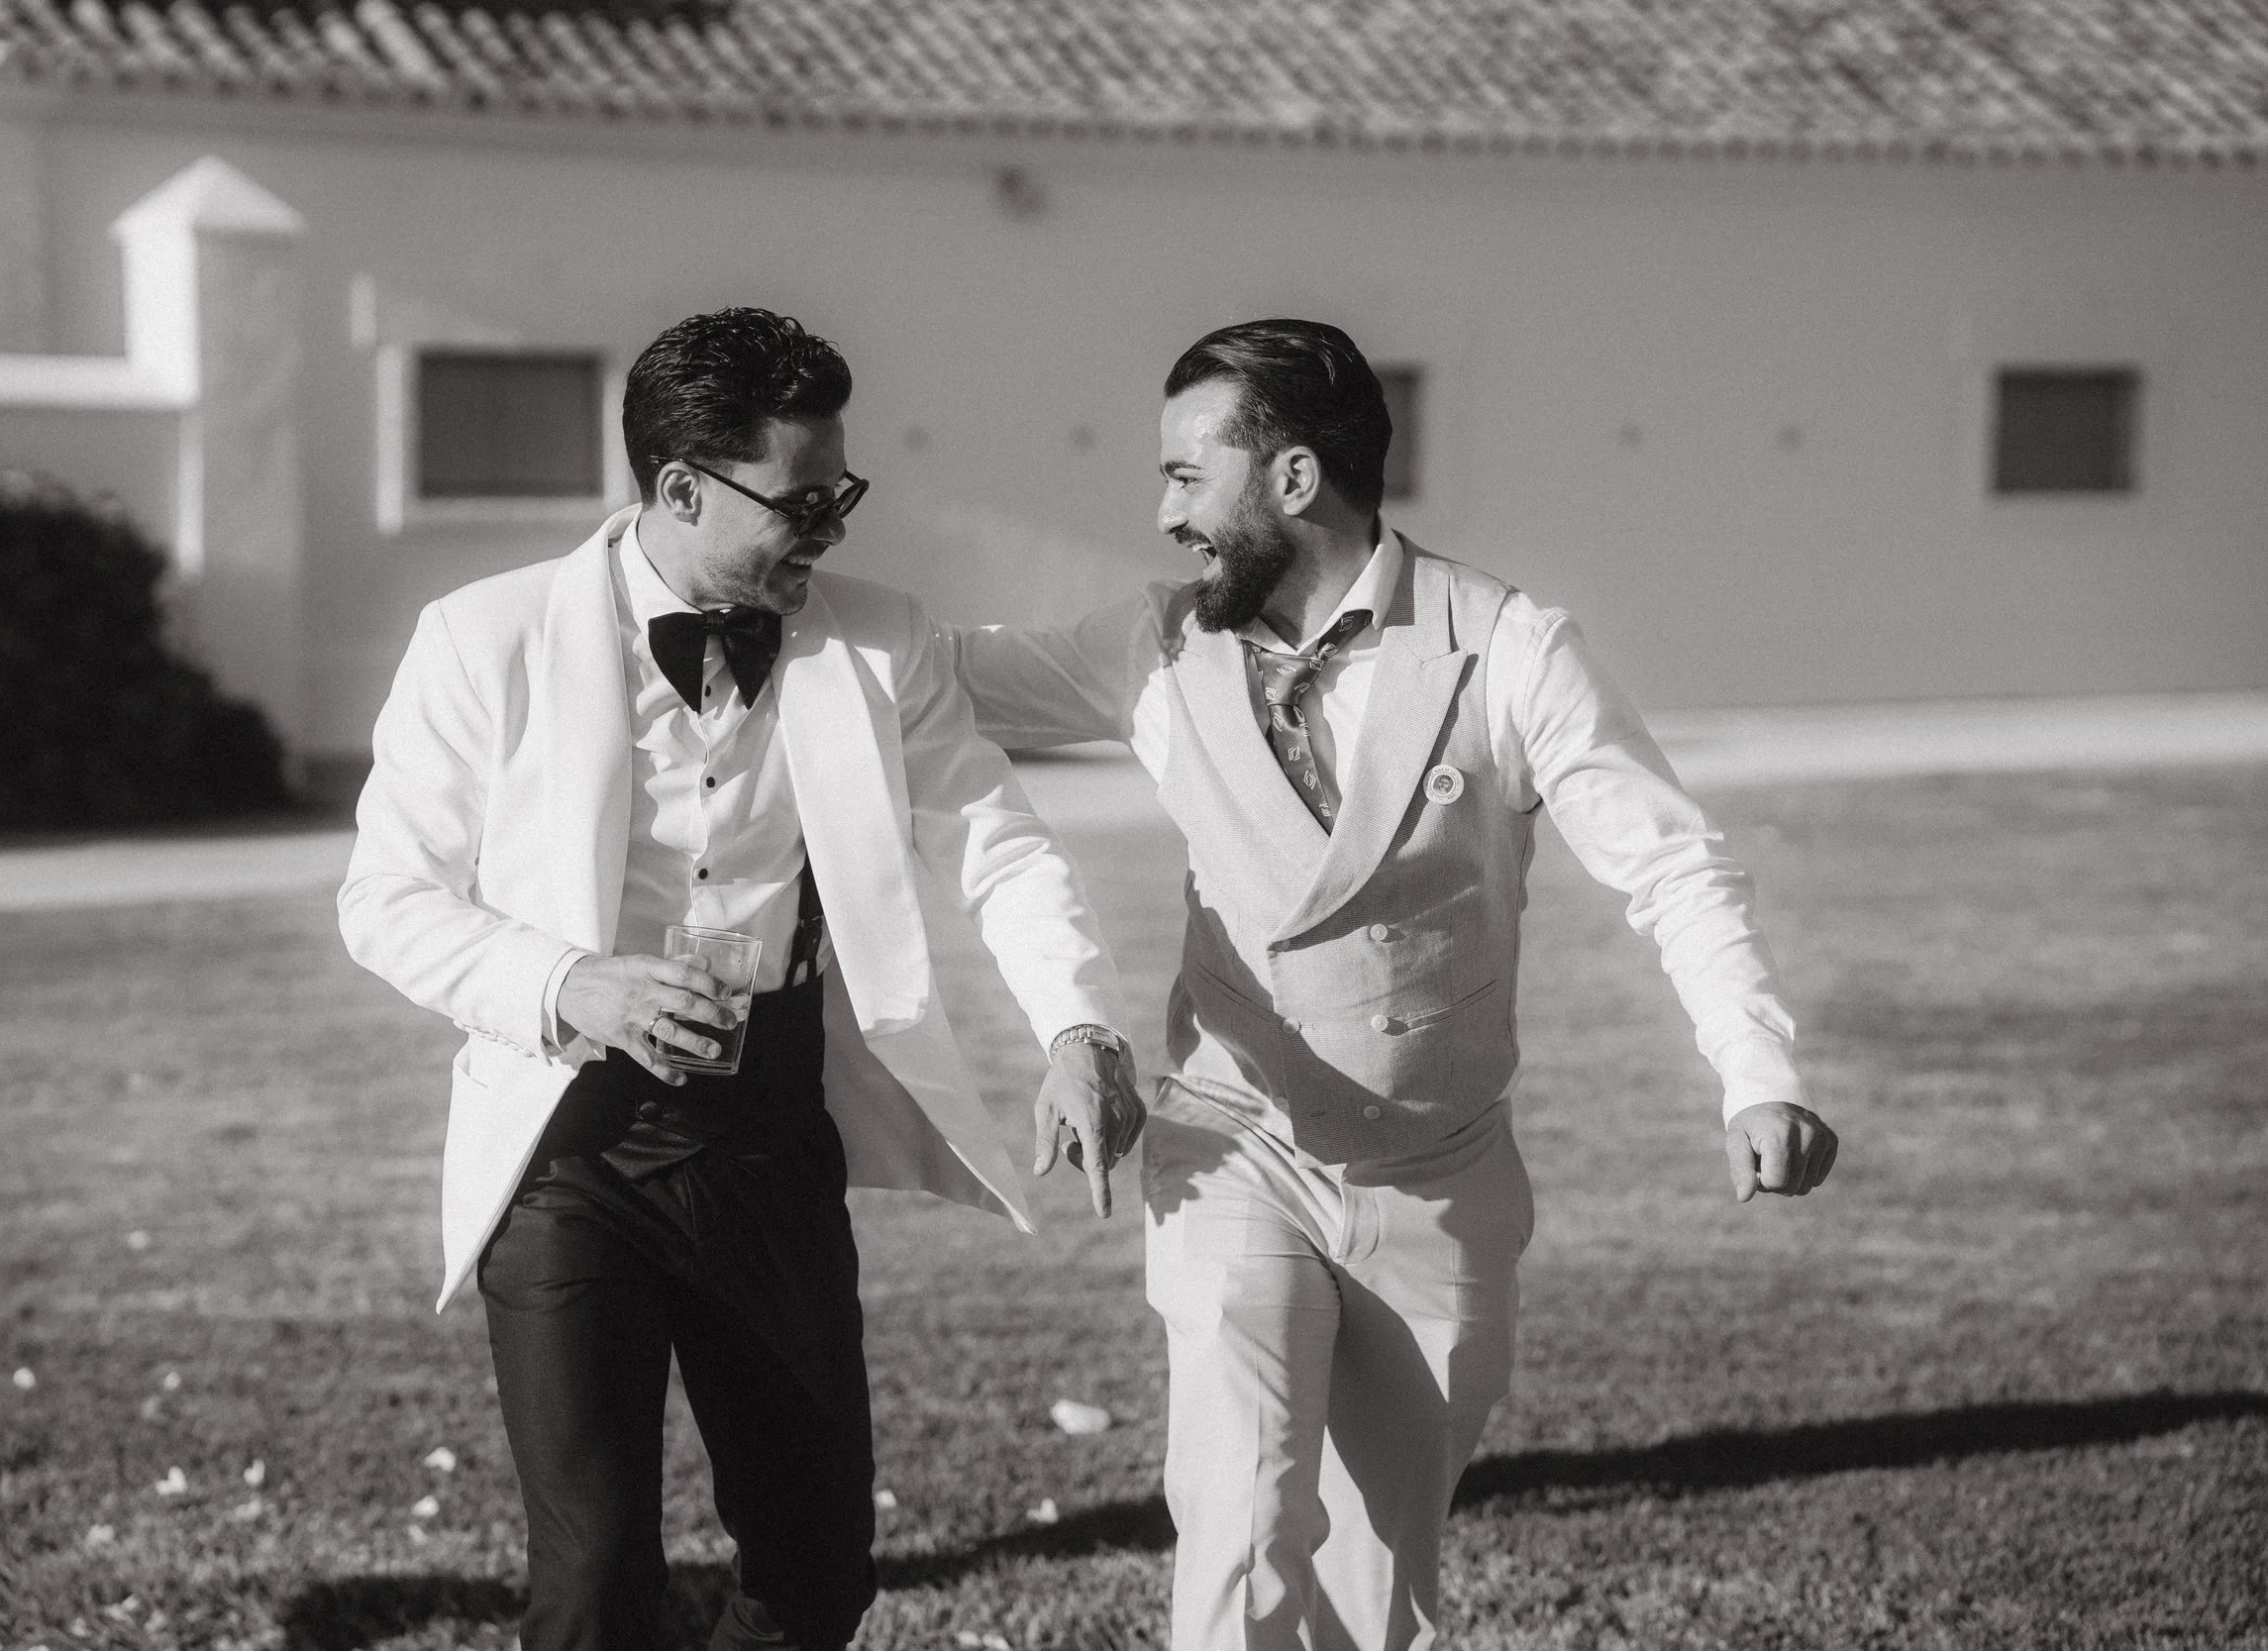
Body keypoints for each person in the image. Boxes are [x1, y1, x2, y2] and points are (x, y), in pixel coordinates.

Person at [949, 319, 1839, 1651]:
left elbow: (1671, 865)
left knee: (1382, 1585)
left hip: (1440, 1171)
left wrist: (1757, 1069)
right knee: (1238, 1528)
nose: (1163, 512)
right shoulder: (1148, 644)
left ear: (1293, 480)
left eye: (1189, 477)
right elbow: (932, 676)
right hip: (1232, 1140)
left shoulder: (1510, 647)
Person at [339, 308, 1145, 1651]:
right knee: (594, 1582)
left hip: (772, 1137)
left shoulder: (881, 643)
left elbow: (996, 844)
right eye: (803, 500)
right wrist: (567, 980)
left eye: (842, 492)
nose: (830, 527)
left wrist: (1077, 1023)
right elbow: (383, 897)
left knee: (815, 1569)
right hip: (571, 1143)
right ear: (679, 488)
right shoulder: (484, 638)